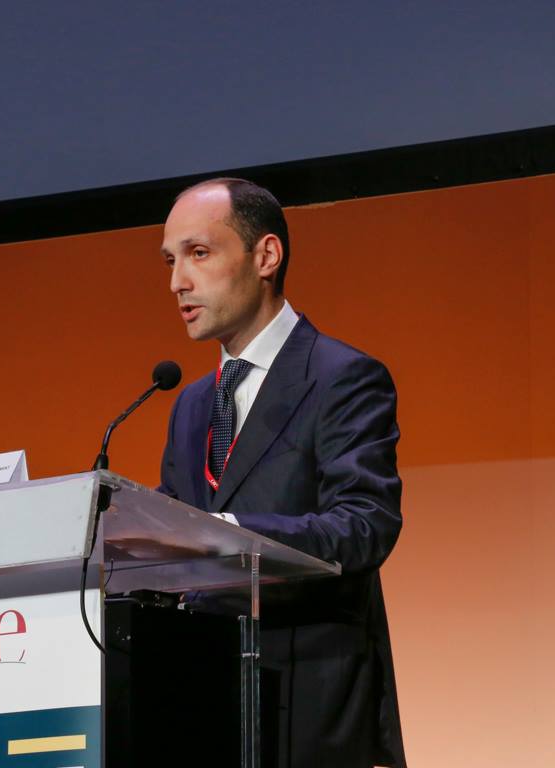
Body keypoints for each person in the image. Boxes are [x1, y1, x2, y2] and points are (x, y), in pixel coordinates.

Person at [156, 178, 406, 768]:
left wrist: (229, 535)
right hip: (206, 704)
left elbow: (364, 525)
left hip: (310, 703)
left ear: (266, 256)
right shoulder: (190, 403)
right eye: (169, 261)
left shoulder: (342, 377)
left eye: (198, 253)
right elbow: (171, 532)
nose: (177, 282)